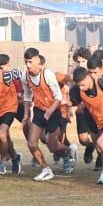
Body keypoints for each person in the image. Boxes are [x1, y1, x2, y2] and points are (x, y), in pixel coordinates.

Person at [23, 50, 69, 182]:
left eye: (30, 62)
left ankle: (69, 150)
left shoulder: (47, 74)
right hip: (38, 111)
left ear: (38, 61)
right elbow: (27, 96)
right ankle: (46, 169)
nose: (28, 65)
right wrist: (26, 114)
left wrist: (49, 112)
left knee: (52, 146)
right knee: (31, 143)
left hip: (53, 112)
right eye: (26, 62)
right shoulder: (25, 76)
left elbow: (58, 96)